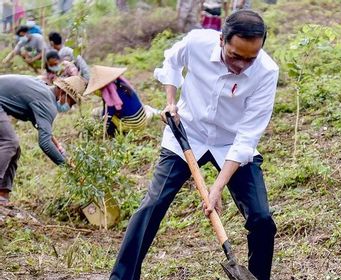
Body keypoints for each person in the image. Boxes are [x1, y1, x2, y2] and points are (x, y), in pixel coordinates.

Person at [110, 10, 278, 280]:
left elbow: (247, 136)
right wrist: (170, 100)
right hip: (187, 134)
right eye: (235, 55)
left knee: (261, 219)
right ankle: (122, 277)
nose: (241, 65)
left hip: (231, 143)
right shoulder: (197, 42)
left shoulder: (267, 72)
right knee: (152, 205)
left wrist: (217, 187)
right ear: (222, 40)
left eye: (250, 58)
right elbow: (171, 62)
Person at [0, 75, 86, 206]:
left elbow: (43, 129)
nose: (70, 106)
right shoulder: (47, 104)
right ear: (63, 93)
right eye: (71, 102)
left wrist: (57, 146)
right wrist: (68, 167)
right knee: (10, 142)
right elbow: (45, 143)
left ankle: (3, 195)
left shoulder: (43, 88)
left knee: (15, 149)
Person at [84, 65, 159, 136]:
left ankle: (120, 133)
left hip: (131, 126)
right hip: (142, 119)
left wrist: (103, 132)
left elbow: (107, 117)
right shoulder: (123, 86)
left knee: (100, 114)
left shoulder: (111, 96)